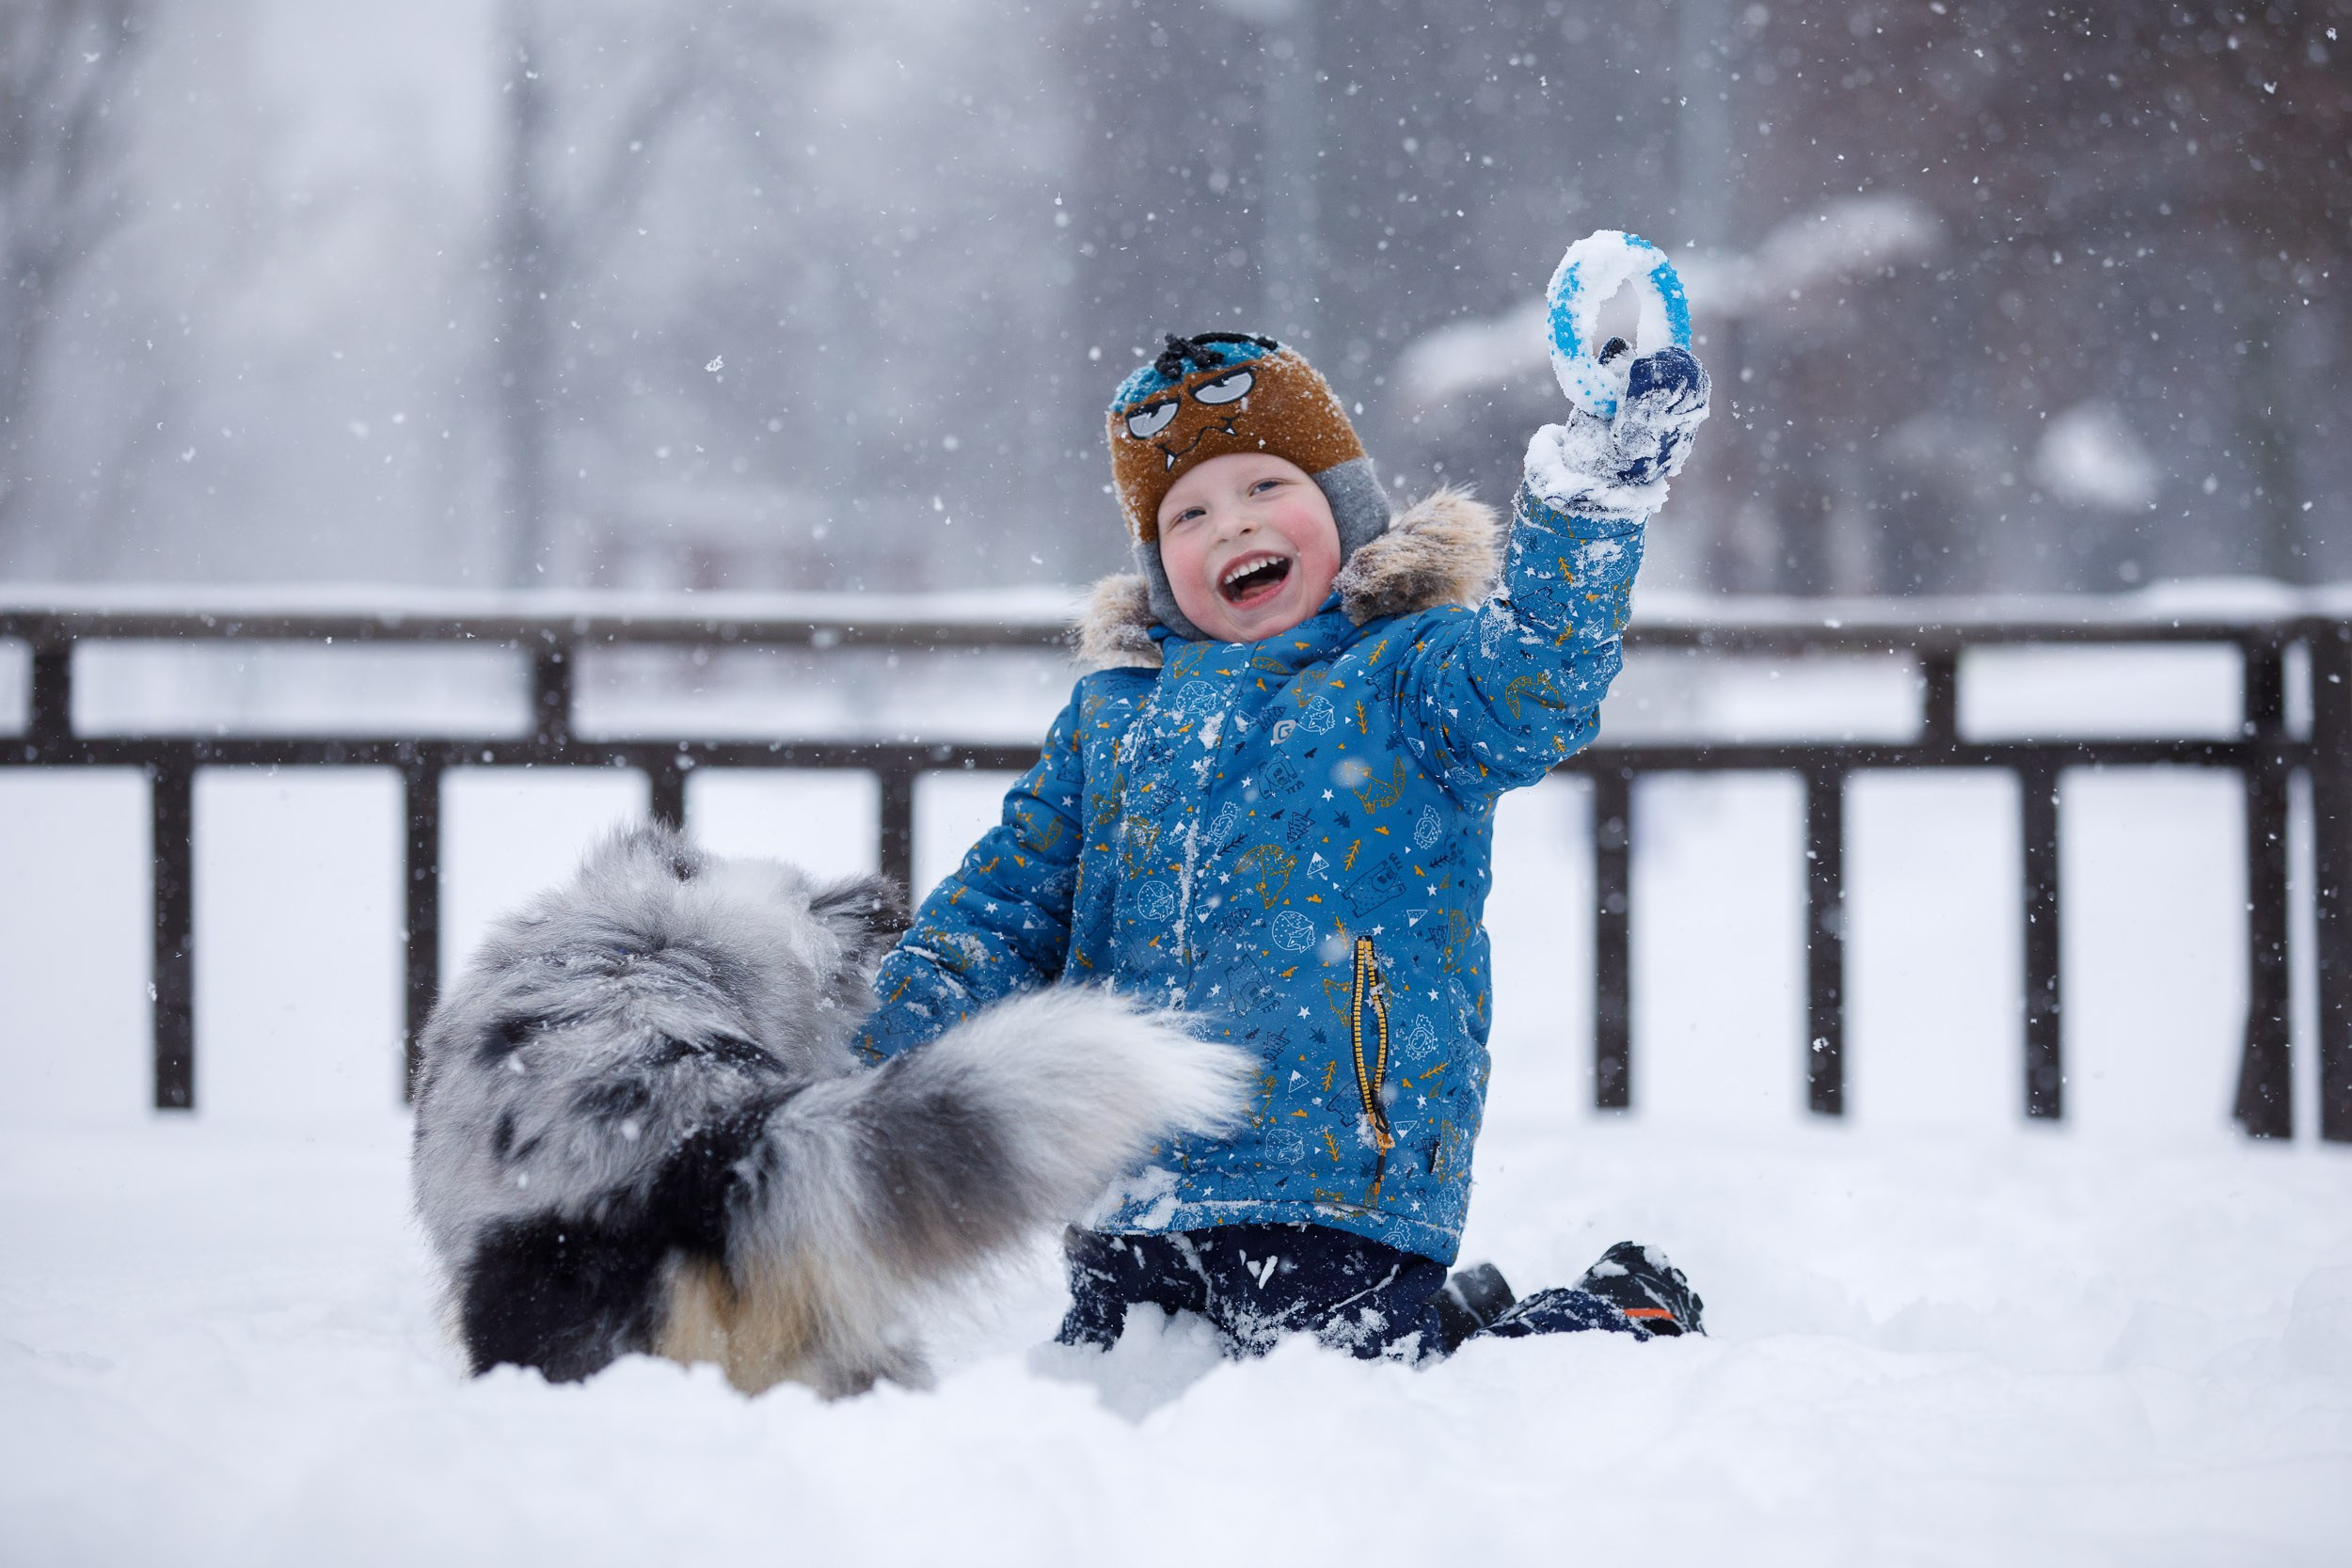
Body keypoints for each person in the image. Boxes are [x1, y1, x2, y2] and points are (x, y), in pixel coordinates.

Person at [853, 327, 1710, 1360]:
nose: (1233, 525)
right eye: (1188, 512)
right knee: (1120, 1397)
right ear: (1155, 560)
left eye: (1265, 484)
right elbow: (1001, 910)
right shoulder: (1112, 719)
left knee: (1340, 1404)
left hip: (1331, 1172)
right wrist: (859, 1052)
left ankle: (1608, 1316)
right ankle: (1448, 1325)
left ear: (1346, 504)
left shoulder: (1410, 677)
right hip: (1126, 1180)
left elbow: (1536, 682)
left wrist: (1586, 506)